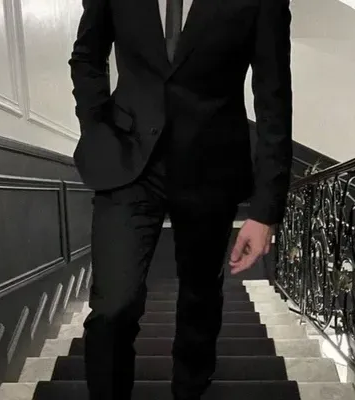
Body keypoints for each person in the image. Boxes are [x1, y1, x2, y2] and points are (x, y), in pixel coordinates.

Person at [68, 0, 292, 399]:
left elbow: (273, 98)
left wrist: (264, 212)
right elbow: (87, 56)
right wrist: (97, 128)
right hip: (128, 158)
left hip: (212, 165)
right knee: (112, 307)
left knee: (199, 301)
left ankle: (189, 392)